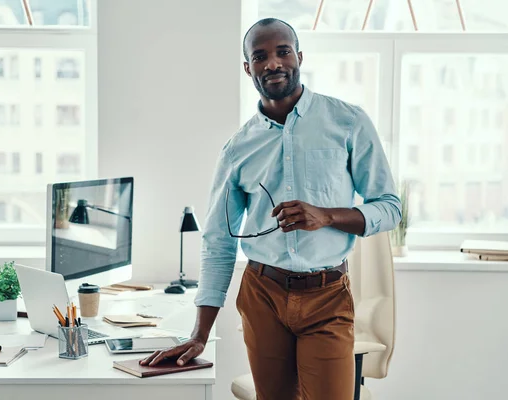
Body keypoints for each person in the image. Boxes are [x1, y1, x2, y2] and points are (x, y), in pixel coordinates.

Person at [141, 17, 401, 400]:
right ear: (248, 67)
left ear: (299, 56)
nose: (273, 63)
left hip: (327, 295)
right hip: (263, 294)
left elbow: (390, 208)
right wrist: (199, 334)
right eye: (260, 56)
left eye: (283, 51)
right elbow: (218, 242)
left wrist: (327, 216)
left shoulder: (347, 121)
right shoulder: (237, 148)